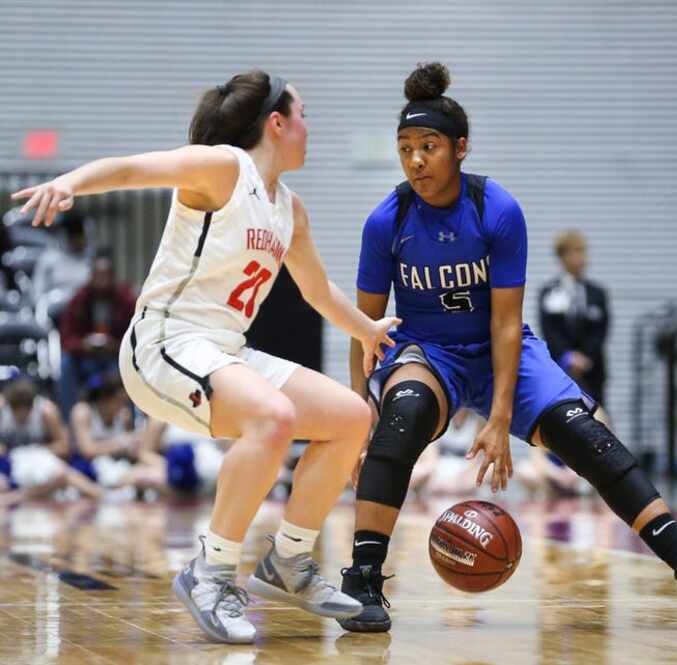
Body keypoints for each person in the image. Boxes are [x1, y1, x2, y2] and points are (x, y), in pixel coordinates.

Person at [338, 62, 677, 633]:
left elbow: (506, 324)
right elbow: (367, 327)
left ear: (461, 148)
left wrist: (501, 416)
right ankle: (361, 581)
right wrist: (362, 422)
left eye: (428, 146)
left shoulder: (496, 209)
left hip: (501, 347)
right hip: (427, 351)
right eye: (405, 147)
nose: (415, 160)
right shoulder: (388, 220)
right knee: (401, 417)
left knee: (588, 437)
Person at [13, 69, 399, 644]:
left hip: (225, 348)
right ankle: (210, 572)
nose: (309, 126)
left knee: (350, 417)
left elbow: (318, 292)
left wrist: (366, 329)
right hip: (164, 342)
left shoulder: (290, 209)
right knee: (272, 418)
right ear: (276, 123)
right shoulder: (223, 167)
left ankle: (288, 562)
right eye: (304, 114)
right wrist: (69, 182)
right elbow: (130, 168)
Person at [58, 248, 136, 419]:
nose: (102, 282)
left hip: (115, 357)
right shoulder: (79, 299)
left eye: (106, 276)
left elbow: (137, 334)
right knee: (66, 363)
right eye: (98, 276)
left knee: (132, 365)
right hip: (86, 357)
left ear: (113, 277)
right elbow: (66, 338)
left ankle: (131, 419)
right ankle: (68, 420)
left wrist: (115, 345)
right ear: (91, 277)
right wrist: (83, 345)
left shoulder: (126, 298)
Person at [0, 376, 100, 501]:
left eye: (25, 410)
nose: (21, 416)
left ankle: (100, 495)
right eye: (16, 410)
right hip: (10, 461)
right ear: (9, 405)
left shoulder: (47, 411)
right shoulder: (2, 409)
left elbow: (65, 448)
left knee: (62, 475)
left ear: (32, 405)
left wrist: (36, 450)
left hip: (40, 457)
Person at [538, 230, 610, 404]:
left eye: (584, 251)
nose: (583, 257)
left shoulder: (597, 293)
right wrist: (568, 356)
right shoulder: (549, 293)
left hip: (592, 371)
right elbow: (549, 330)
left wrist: (586, 358)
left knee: (596, 419)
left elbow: (601, 330)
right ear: (562, 256)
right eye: (577, 251)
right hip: (561, 371)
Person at [31, 210, 92, 303]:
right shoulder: (49, 259)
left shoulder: (90, 259)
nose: (78, 242)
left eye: (81, 237)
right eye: (74, 238)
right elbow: (37, 295)